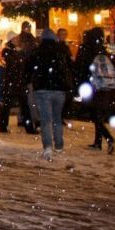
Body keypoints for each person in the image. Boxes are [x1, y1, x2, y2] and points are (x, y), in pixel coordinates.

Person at [25, 28, 73, 161]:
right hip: (59, 89)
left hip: (42, 89)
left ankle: (47, 147)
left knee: (46, 120)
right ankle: (59, 145)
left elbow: (28, 68)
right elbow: (68, 68)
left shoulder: (37, 52)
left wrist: (29, 81)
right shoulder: (61, 51)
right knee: (57, 118)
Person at [76, 27, 115, 154]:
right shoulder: (102, 49)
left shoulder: (86, 49)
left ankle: (108, 138)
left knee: (94, 114)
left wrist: (79, 84)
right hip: (103, 85)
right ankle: (98, 142)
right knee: (98, 113)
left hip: (91, 85)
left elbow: (81, 67)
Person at [0, 31, 28, 134]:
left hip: (16, 81)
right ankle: (3, 124)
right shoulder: (7, 51)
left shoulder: (15, 51)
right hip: (12, 81)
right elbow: (14, 64)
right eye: (16, 38)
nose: (18, 40)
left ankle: (27, 125)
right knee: (8, 104)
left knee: (22, 104)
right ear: (12, 39)